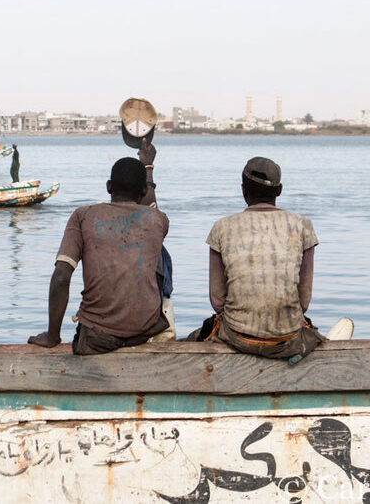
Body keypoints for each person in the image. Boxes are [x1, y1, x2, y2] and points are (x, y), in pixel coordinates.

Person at [29, 141, 169, 355]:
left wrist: (52, 336)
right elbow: (149, 208)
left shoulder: (83, 216)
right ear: (143, 190)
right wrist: (148, 167)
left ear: (109, 187)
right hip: (146, 329)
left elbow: (61, 277)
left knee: (160, 255)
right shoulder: (159, 220)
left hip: (98, 336)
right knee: (161, 256)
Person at [187, 157, 326, 359]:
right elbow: (304, 301)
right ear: (279, 191)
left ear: (244, 190)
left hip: (237, 336)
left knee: (195, 337)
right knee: (314, 335)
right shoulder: (302, 225)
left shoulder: (222, 227)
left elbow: (217, 300)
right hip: (286, 338)